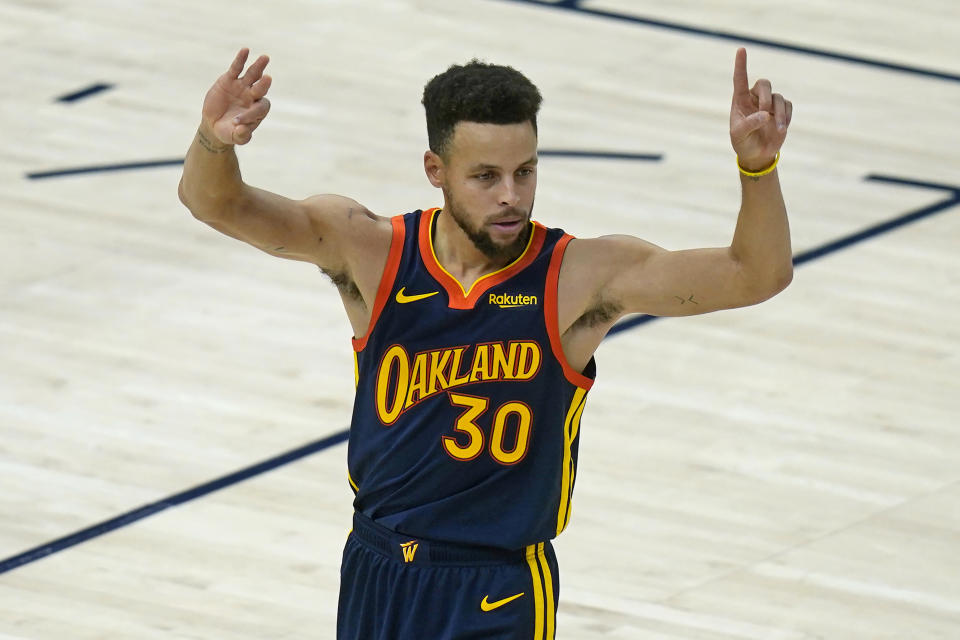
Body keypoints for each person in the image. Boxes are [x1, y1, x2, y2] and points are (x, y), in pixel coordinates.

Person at [178, 46, 793, 640]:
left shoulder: (578, 277)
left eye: (525, 172)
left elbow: (754, 274)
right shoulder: (372, 251)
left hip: (496, 588)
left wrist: (757, 170)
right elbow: (213, 201)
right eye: (486, 176)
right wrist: (214, 137)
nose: (511, 195)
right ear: (435, 171)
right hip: (376, 565)